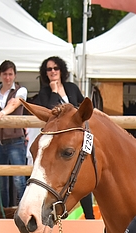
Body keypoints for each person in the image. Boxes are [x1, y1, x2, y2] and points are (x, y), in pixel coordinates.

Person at [31, 56, 93, 218]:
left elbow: (83, 106)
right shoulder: (44, 92)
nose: (53, 72)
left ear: (61, 71)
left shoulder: (71, 87)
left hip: (77, 137)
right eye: (49, 69)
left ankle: (90, 215)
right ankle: (53, 212)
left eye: (56, 68)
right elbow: (49, 111)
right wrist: (53, 91)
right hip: (58, 140)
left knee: (83, 171)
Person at [0, 60, 28, 209]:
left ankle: (23, 209)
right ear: (0, 75)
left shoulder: (21, 90)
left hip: (16, 139)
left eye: (10, 74)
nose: (8, 77)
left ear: (14, 75)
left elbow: (15, 104)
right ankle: (3, 210)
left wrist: (1, 113)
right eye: (5, 74)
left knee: (19, 179)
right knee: (0, 181)